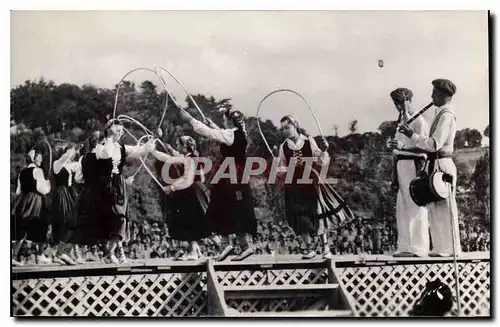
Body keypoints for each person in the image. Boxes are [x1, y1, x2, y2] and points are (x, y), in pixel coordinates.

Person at [179, 108, 257, 261]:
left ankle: (235, 245)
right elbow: (223, 134)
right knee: (228, 207)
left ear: (229, 121)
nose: (223, 122)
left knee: (222, 207)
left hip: (230, 176)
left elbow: (210, 133)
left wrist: (190, 119)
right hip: (236, 175)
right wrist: (214, 125)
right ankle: (235, 245)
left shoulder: (231, 134)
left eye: (224, 120)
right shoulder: (238, 133)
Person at [277, 115, 354, 259]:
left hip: (310, 182)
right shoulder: (283, 146)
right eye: (282, 129)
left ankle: (325, 248)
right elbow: (282, 167)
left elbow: (321, 159)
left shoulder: (308, 141)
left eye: (287, 127)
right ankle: (309, 248)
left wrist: (325, 150)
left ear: (295, 125)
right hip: (293, 184)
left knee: (317, 213)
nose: (285, 131)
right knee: (299, 216)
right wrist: (280, 172)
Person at [399, 79, 461, 257]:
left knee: (445, 207)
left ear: (442, 95)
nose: (431, 96)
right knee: (435, 207)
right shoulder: (440, 113)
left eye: (434, 93)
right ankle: (441, 247)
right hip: (436, 164)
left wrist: (412, 134)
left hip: (443, 163)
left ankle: (450, 249)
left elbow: (434, 144)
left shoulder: (447, 115)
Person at [152, 136, 210, 261]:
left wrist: (171, 188)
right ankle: (196, 251)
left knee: (190, 221)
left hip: (191, 193)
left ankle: (193, 252)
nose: (177, 147)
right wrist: (156, 151)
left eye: (178, 145)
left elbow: (186, 180)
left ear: (184, 147)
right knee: (191, 220)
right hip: (198, 190)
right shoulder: (193, 157)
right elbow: (171, 158)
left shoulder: (188, 159)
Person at [388, 87, 430, 257]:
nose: (399, 107)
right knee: (402, 207)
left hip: (414, 164)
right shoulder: (399, 124)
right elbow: (395, 152)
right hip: (401, 166)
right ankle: (405, 247)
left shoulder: (419, 121)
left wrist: (403, 148)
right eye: (396, 104)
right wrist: (394, 177)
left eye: (402, 103)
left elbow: (424, 149)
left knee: (416, 206)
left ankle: (419, 248)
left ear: (410, 101)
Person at [11, 149, 52, 265]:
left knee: (22, 227)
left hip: (22, 200)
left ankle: (14, 255)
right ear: (34, 159)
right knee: (41, 224)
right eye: (39, 157)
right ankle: (39, 255)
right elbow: (41, 189)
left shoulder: (22, 172)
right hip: (35, 200)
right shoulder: (38, 171)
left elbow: (19, 190)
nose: (41, 160)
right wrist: (48, 185)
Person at [51, 144, 85, 265]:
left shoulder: (72, 165)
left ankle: (63, 253)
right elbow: (62, 159)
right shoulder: (57, 164)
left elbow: (81, 166)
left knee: (73, 224)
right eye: (69, 151)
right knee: (67, 224)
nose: (72, 153)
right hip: (61, 194)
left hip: (70, 194)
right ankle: (61, 253)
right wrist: (71, 151)